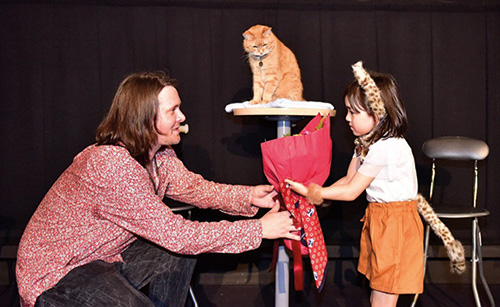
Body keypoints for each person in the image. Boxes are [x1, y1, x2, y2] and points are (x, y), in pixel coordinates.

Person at [16, 71, 300, 307]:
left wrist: (248, 196)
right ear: (145, 119)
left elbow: (195, 189)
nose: (182, 116)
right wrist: (259, 230)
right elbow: (178, 234)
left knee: (176, 255)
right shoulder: (112, 165)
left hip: (101, 257)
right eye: (173, 110)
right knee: (174, 249)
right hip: (56, 274)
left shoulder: (158, 155)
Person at [286, 61, 424, 307]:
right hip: (380, 219)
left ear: (378, 114)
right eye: (347, 111)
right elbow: (348, 180)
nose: (347, 118)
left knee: (384, 294)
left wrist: (312, 192)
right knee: (377, 289)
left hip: (395, 225)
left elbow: (351, 192)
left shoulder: (387, 147)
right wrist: (316, 194)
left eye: (353, 112)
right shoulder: (366, 143)